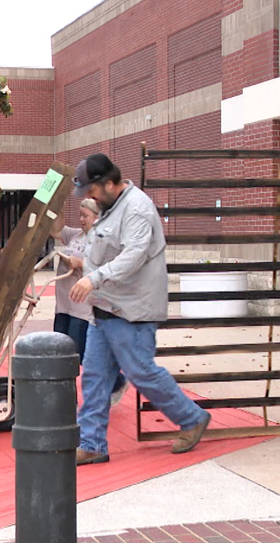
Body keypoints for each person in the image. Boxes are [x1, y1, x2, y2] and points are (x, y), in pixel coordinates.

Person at [68, 153, 211, 465]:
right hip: (105, 309)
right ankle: (92, 443)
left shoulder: (137, 208)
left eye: (92, 191)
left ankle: (192, 418)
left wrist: (94, 278)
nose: (90, 199)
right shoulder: (110, 207)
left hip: (132, 311)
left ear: (109, 183)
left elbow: (133, 255)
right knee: (94, 377)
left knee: (140, 372)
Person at [51, 197, 128, 406]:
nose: (81, 219)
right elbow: (55, 229)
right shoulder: (73, 235)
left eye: (85, 215)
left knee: (80, 355)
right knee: (60, 351)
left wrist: (79, 263)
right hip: (64, 305)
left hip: (82, 308)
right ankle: (67, 398)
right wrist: (57, 205)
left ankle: (116, 381)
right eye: (80, 215)